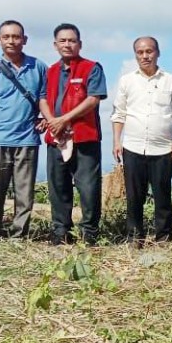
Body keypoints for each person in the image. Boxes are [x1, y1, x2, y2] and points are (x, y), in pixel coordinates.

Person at [39, 23, 108, 245]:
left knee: (88, 187)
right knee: (58, 185)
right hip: (56, 138)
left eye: (72, 40)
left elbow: (93, 98)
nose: (67, 44)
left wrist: (64, 119)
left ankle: (89, 232)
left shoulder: (91, 68)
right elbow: (41, 98)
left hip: (83, 137)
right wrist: (52, 121)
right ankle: (61, 231)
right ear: (55, 44)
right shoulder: (49, 71)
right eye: (63, 40)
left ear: (80, 43)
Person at [0, 20, 48, 239]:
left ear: (24, 40)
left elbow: (44, 99)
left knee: (25, 193)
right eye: (6, 37)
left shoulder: (38, 67)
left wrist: (44, 119)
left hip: (28, 138)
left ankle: (19, 234)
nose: (11, 41)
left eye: (16, 37)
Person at [111, 36, 172, 247]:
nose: (145, 56)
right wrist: (116, 141)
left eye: (149, 51)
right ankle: (135, 237)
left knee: (162, 194)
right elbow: (119, 113)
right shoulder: (126, 81)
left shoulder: (171, 80)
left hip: (162, 148)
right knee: (134, 196)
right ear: (135, 55)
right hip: (133, 146)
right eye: (140, 52)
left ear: (157, 53)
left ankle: (164, 237)